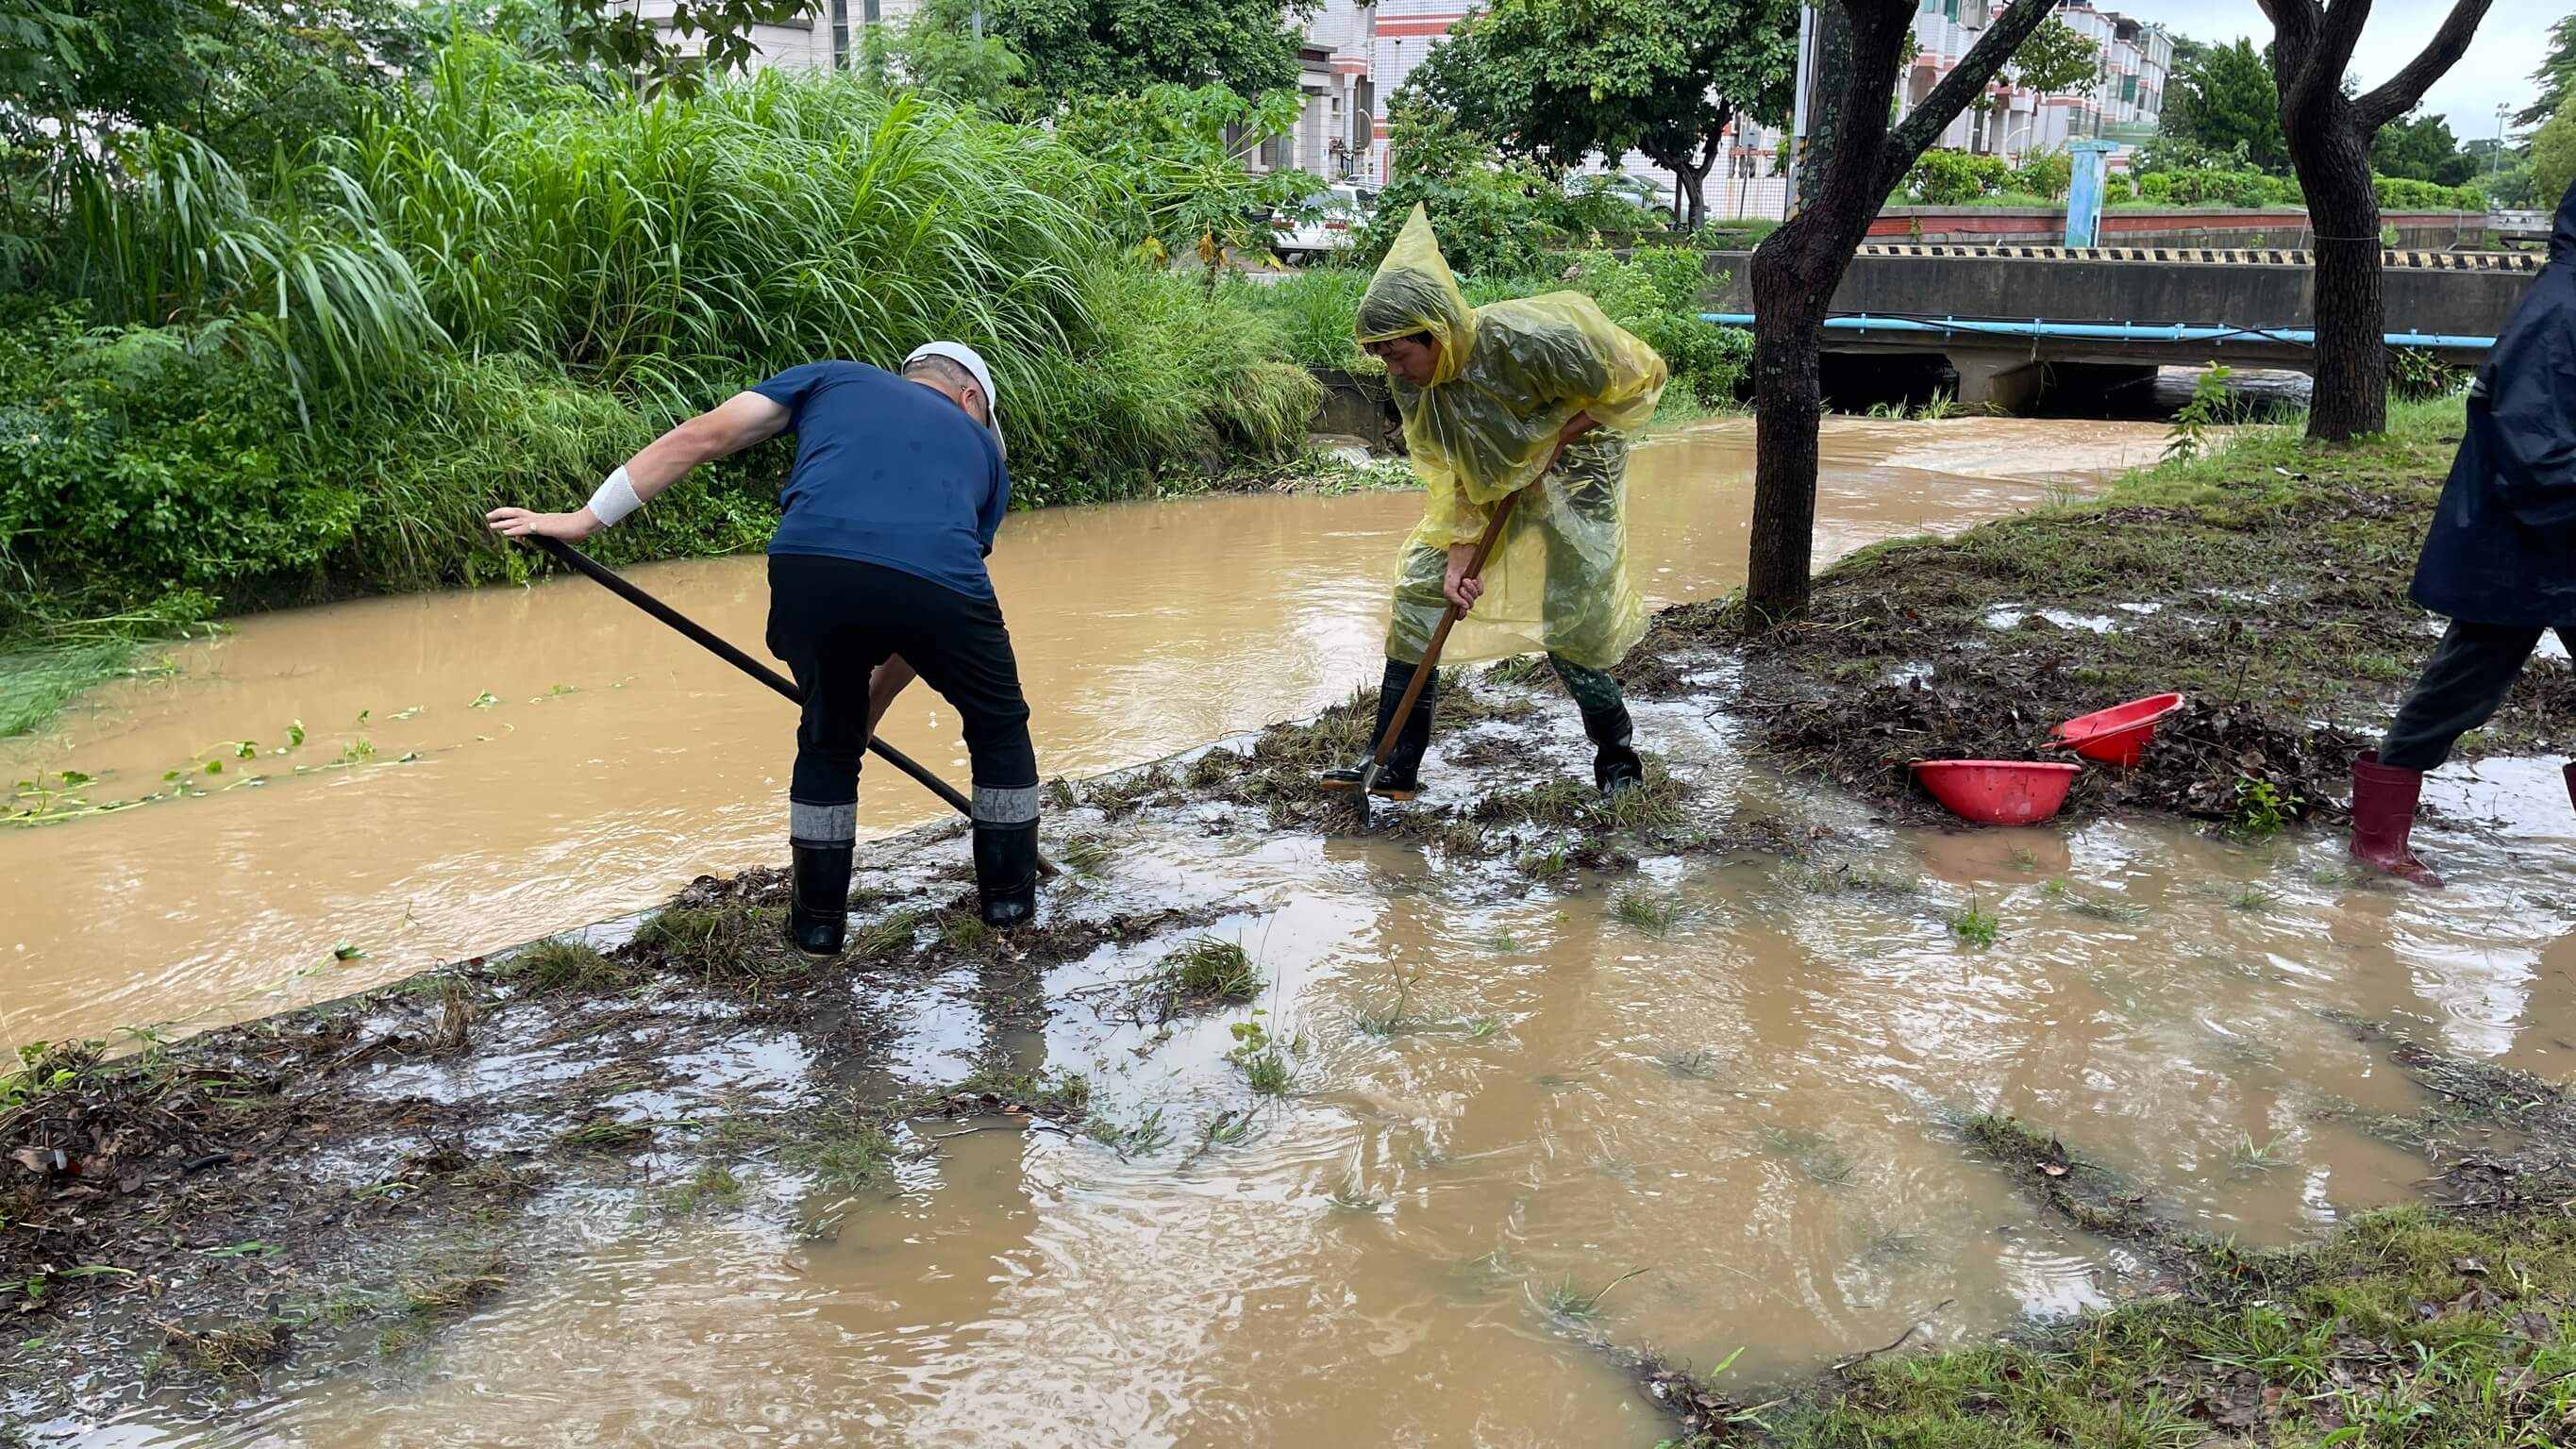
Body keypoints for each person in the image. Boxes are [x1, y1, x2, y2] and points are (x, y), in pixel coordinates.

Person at [487, 342, 1041, 953]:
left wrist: (584, 519)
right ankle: (1010, 915)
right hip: (939, 583)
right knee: (998, 728)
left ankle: (817, 930)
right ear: (971, 400)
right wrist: (873, 707)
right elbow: (934, 600)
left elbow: (702, 436)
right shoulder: (986, 451)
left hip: (809, 569)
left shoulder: (831, 376)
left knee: (828, 742)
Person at [1321, 206, 1668, 801]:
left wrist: (1554, 439)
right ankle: (1393, 761)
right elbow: (1451, 472)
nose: (1391, 366)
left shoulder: (1534, 340)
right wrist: (1458, 558)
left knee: (1569, 617)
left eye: (1398, 352)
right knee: (1421, 591)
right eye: (1380, 356)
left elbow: (1639, 376)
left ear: (1435, 331)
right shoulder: (1419, 385)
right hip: (1495, 485)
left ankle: (1617, 758)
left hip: (1576, 473)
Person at [2351, 181, 2576, 888]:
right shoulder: (2561, 311)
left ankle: (2377, 840)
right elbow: (2534, 448)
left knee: (2461, 681)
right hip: (2519, 544)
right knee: (2460, 687)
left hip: (2555, 543)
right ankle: (2377, 844)